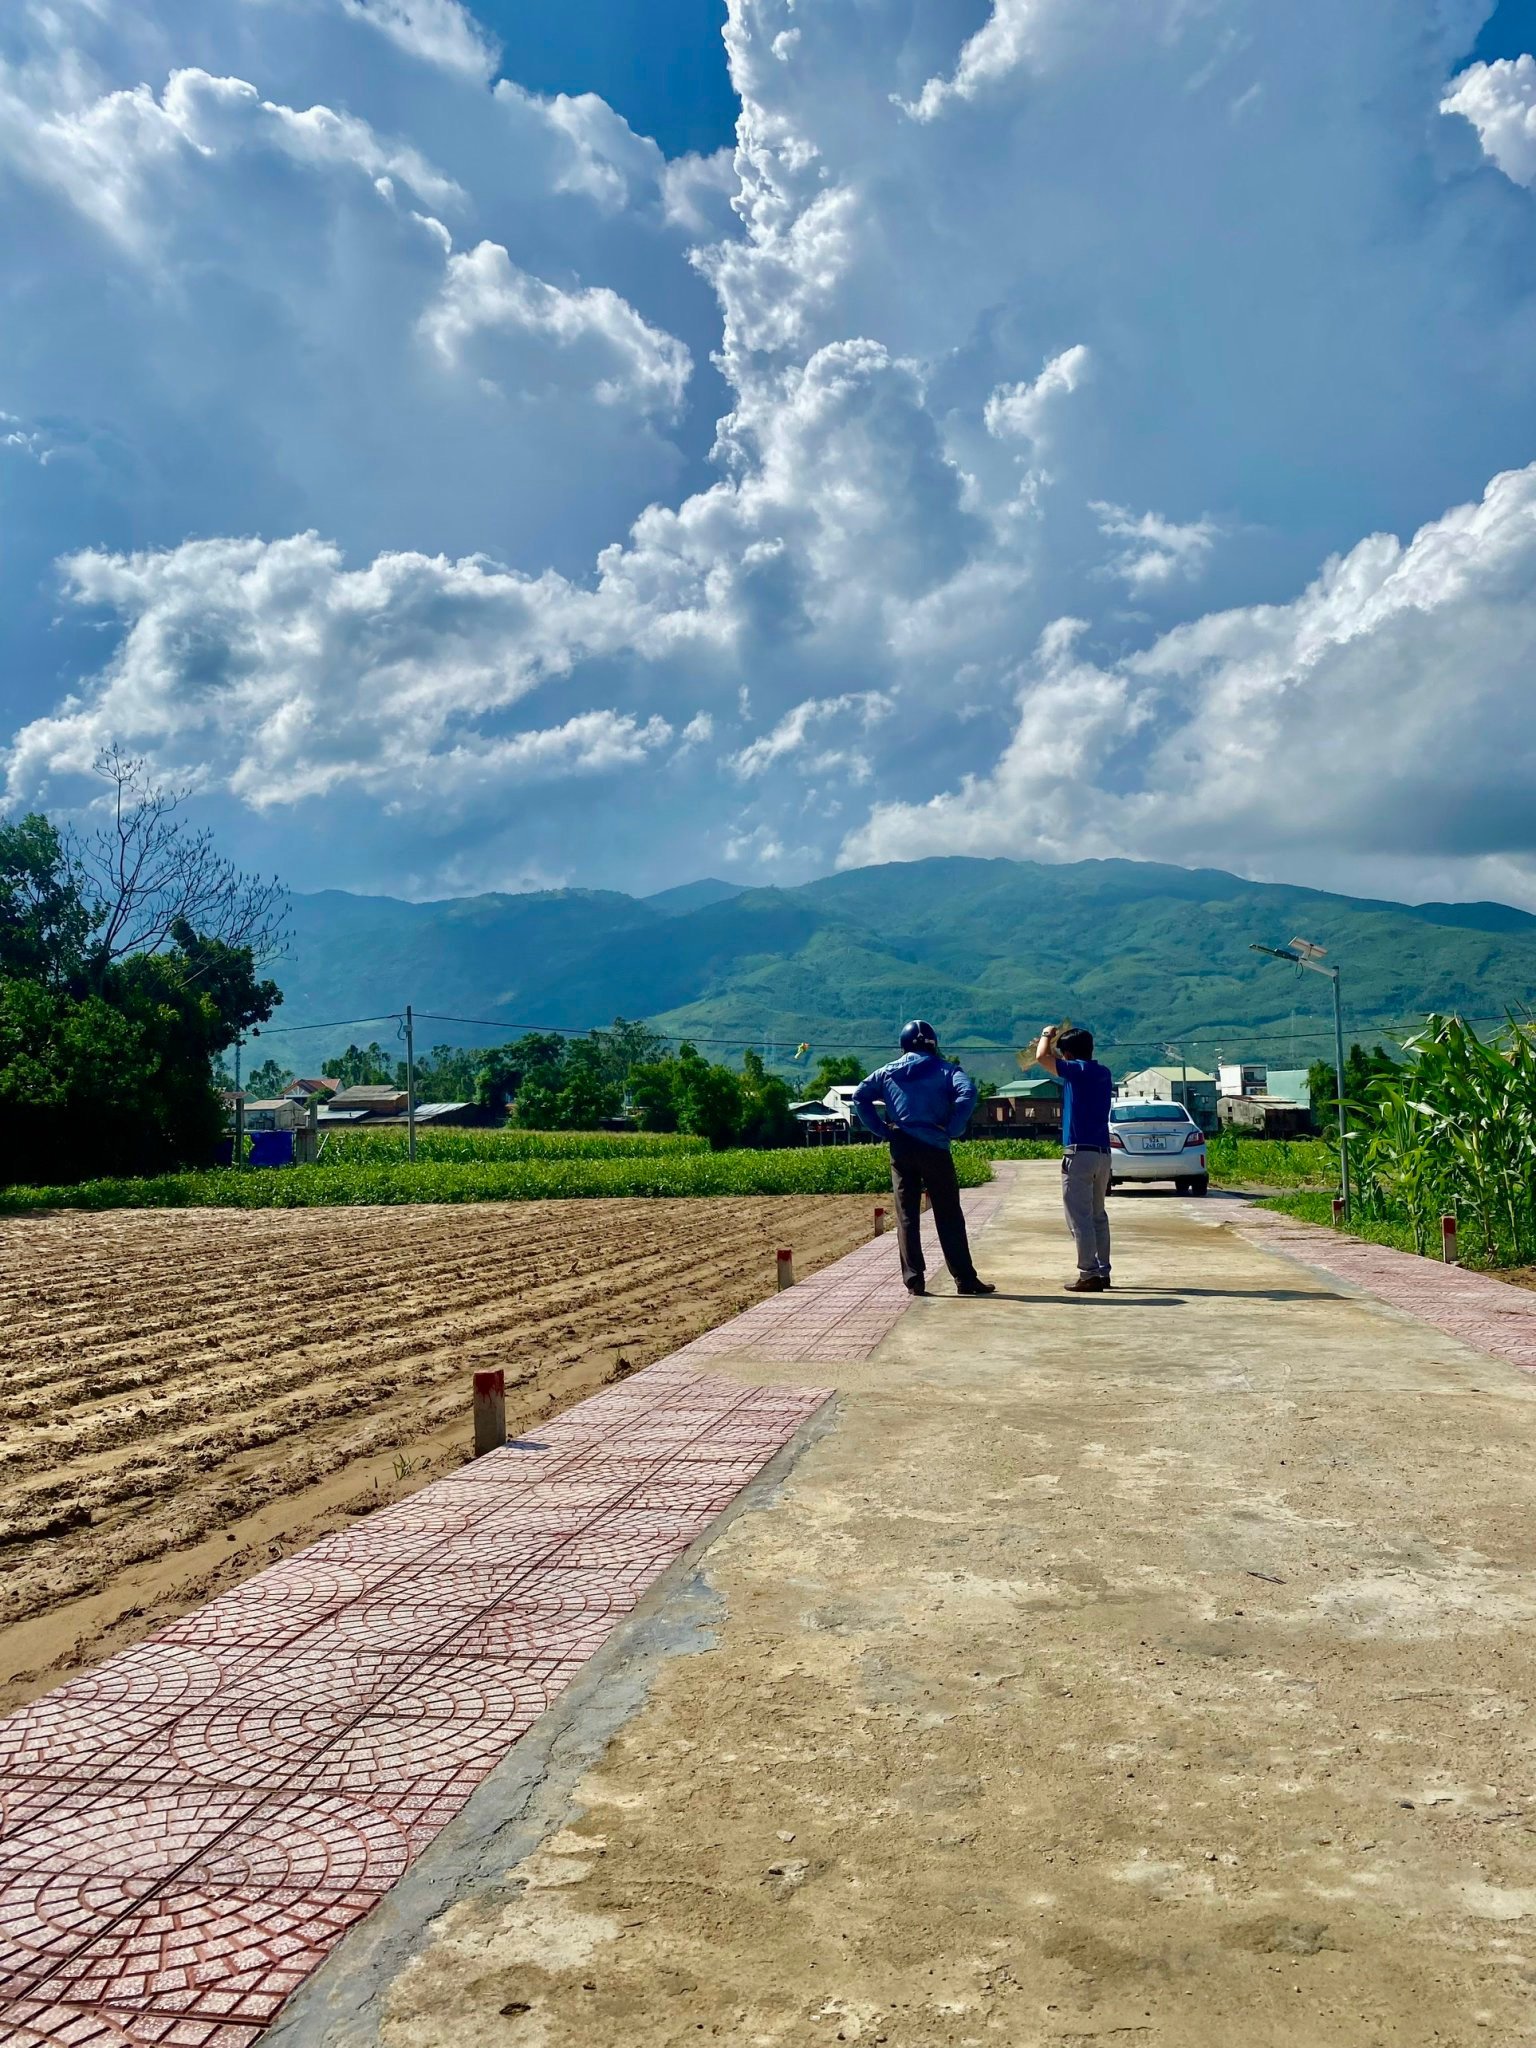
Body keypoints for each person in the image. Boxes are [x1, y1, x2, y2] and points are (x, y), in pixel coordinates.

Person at [852, 1021, 995, 1298]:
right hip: (935, 1146)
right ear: (933, 1044)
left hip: (901, 1145)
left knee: (907, 1215)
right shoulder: (946, 1070)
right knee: (949, 1213)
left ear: (903, 1045)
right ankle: (964, 1279)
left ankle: (914, 1280)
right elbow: (967, 1092)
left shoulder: (887, 1072)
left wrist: (882, 1130)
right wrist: (953, 1128)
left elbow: (860, 1096)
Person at [1031, 1024, 1113, 1292]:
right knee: (1098, 1214)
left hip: (1078, 1153)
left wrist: (1046, 1035)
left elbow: (1042, 1058)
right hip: (1102, 1153)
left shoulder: (1075, 1071)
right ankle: (1102, 1271)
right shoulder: (1102, 1072)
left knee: (1079, 1217)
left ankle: (1087, 1273)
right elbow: (1053, 1059)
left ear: (1067, 1054)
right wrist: (1057, 1046)